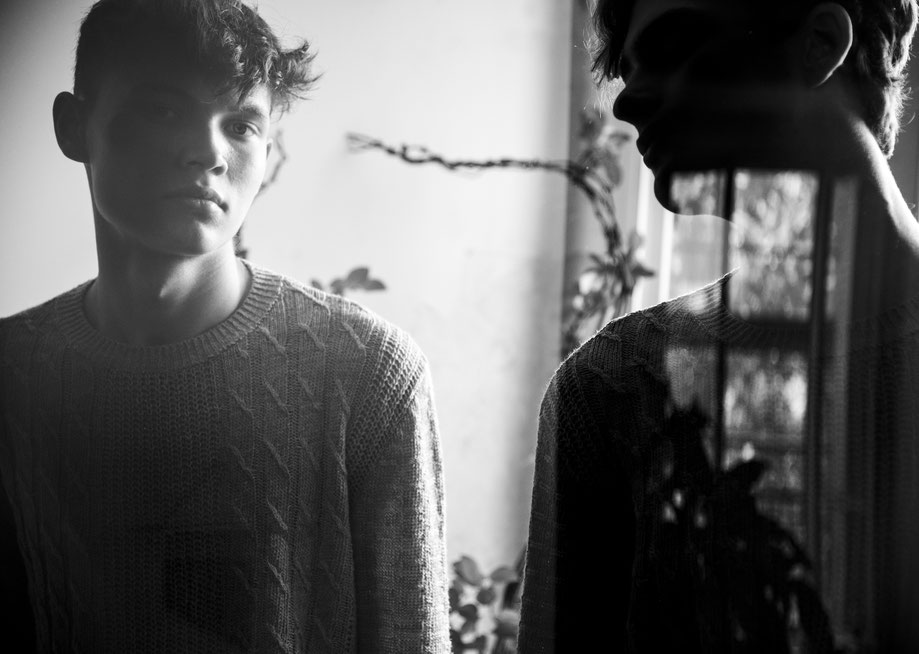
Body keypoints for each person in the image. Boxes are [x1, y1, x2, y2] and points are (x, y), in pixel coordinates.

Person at [0, 1, 450, 651]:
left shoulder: (366, 375)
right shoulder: (12, 377)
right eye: (163, 108)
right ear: (74, 126)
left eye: (240, 124)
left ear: (267, 151)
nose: (207, 151)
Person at [520, 0, 919, 652]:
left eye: (673, 45)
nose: (625, 102)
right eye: (627, 67)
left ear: (819, 42)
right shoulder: (612, 389)